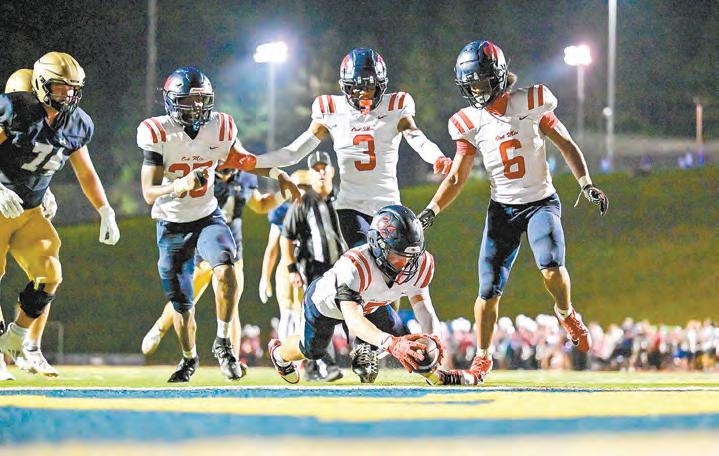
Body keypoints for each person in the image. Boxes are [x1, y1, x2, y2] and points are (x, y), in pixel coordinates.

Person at [254, 47, 452, 382]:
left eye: (371, 87)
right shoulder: (330, 110)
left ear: (382, 85)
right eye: (359, 88)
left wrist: (436, 157)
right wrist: (253, 161)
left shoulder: (397, 106)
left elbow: (416, 136)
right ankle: (364, 345)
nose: (365, 95)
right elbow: (294, 151)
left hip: (389, 208)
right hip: (351, 207)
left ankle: (368, 344)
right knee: (370, 270)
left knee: (397, 273)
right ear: (346, 87)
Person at [418, 40, 609, 384]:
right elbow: (457, 176)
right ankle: (482, 357)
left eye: (481, 81)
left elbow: (566, 144)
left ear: (498, 76)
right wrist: (432, 209)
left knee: (551, 268)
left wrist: (586, 184)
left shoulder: (532, 103)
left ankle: (566, 312)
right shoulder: (468, 122)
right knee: (487, 291)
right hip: (502, 210)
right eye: (471, 84)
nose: (477, 90)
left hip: (540, 202)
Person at [138, 67, 299, 382]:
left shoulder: (219, 127)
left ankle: (224, 344)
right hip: (172, 224)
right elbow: (148, 191)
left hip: (206, 217)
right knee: (183, 307)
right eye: (189, 100)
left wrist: (278, 173)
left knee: (227, 270)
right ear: (172, 101)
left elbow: (245, 160)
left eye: (202, 100)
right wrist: (178, 184)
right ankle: (189, 358)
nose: (197, 107)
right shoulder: (158, 132)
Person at [0, 52, 121, 374]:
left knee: (50, 274)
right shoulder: (17, 110)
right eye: (60, 87)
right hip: (2, 205)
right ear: (39, 86)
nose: (68, 94)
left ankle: (18, 338)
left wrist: (105, 209)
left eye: (73, 88)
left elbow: (85, 171)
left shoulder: (77, 123)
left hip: (29, 209)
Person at [268, 205, 444, 385]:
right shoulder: (354, 265)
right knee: (312, 351)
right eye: (397, 255)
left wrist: (434, 341)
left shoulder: (421, 263)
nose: (405, 264)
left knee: (403, 336)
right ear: (378, 245)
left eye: (410, 256)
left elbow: (424, 308)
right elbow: (353, 319)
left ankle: (431, 375)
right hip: (325, 306)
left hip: (369, 305)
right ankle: (279, 354)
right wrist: (391, 343)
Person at [140, 167, 282, 365]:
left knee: (231, 305)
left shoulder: (244, 177)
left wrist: (284, 194)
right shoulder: (204, 171)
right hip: (202, 250)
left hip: (231, 251)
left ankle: (231, 360)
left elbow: (260, 204)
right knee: (184, 300)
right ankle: (160, 328)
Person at [281, 151, 345, 381]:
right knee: (318, 317)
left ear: (332, 170)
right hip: (314, 268)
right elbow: (286, 236)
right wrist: (291, 269)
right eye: (315, 169)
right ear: (310, 173)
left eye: (324, 167)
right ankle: (325, 366)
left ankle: (360, 359)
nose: (320, 172)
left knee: (351, 312)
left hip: (343, 268)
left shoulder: (343, 197)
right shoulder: (303, 201)